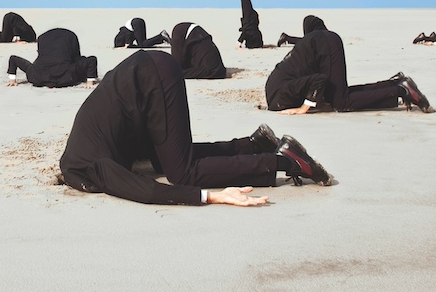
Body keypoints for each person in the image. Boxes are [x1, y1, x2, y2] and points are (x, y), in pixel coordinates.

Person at [59, 50, 332, 206]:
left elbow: (144, 190)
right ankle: (253, 144)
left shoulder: (91, 165)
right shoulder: (84, 147)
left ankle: (284, 161)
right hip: (143, 74)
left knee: (182, 173)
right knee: (164, 159)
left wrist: (211, 196)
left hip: (152, 79)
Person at [265, 29, 434, 114]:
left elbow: (318, 80)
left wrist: (304, 107)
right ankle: (395, 84)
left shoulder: (282, 98)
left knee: (341, 102)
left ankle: (402, 90)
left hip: (324, 45)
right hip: (320, 43)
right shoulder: (277, 94)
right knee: (337, 96)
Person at [6, 28, 98, 88]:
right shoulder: (71, 69)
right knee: (79, 62)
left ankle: (12, 81)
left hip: (39, 77)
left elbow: (13, 59)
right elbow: (92, 60)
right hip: (65, 77)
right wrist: (90, 82)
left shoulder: (34, 71)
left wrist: (12, 79)